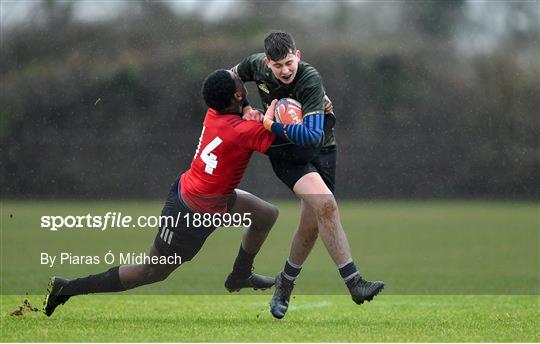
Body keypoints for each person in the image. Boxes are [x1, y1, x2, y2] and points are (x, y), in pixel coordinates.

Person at [44, 70, 284, 317]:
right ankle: (67, 288)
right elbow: (287, 146)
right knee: (150, 271)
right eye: (239, 84)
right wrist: (274, 118)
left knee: (266, 215)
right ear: (236, 95)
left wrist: (247, 110)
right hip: (190, 214)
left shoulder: (215, 111)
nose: (239, 78)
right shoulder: (245, 132)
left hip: (207, 195)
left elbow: (236, 98)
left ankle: (239, 275)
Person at [233, 31, 385, 319]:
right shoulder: (255, 65)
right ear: (267, 63)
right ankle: (354, 282)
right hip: (287, 155)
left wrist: (270, 124)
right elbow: (231, 77)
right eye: (278, 66)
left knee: (313, 224)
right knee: (326, 204)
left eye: (289, 62)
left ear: (297, 55)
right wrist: (245, 108)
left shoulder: (310, 79)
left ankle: (284, 283)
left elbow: (314, 137)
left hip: (321, 151)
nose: (285, 70)